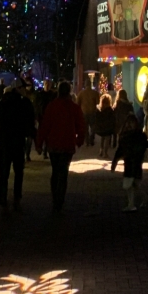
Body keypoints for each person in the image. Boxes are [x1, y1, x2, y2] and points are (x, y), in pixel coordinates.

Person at [35, 81, 86, 212]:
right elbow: (81, 125)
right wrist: (80, 140)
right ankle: (60, 200)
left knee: (55, 171)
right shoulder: (74, 107)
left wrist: (39, 143)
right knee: (63, 173)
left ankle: (55, 197)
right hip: (67, 144)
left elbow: (45, 126)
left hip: (53, 144)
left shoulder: (52, 106)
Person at [0, 84, 35, 212]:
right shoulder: (23, 103)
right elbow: (30, 122)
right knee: (18, 172)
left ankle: (3, 198)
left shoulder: (1, 105)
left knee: (3, 173)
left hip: (4, 143)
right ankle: (17, 198)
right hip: (18, 142)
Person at [111, 113, 148, 211]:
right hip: (133, 163)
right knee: (135, 184)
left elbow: (120, 151)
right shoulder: (139, 136)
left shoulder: (126, 136)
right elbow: (120, 150)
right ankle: (141, 200)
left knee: (129, 184)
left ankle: (132, 204)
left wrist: (114, 163)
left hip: (132, 163)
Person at [34, 78, 56, 159]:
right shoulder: (40, 94)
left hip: (49, 118)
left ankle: (45, 152)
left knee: (48, 137)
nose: (47, 86)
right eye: (46, 84)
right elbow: (37, 106)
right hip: (41, 117)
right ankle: (40, 149)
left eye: (48, 84)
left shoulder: (52, 95)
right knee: (41, 135)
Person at [76, 76, 100, 147]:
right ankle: (91, 138)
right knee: (93, 127)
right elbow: (98, 102)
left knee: (85, 127)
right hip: (92, 112)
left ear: (85, 85)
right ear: (91, 84)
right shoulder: (95, 93)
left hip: (84, 113)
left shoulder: (81, 93)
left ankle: (87, 141)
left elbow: (77, 103)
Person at [94, 94, 116, 159]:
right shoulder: (110, 110)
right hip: (108, 127)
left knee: (102, 138)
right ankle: (105, 153)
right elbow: (113, 118)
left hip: (101, 127)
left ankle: (101, 151)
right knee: (107, 139)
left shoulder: (100, 110)